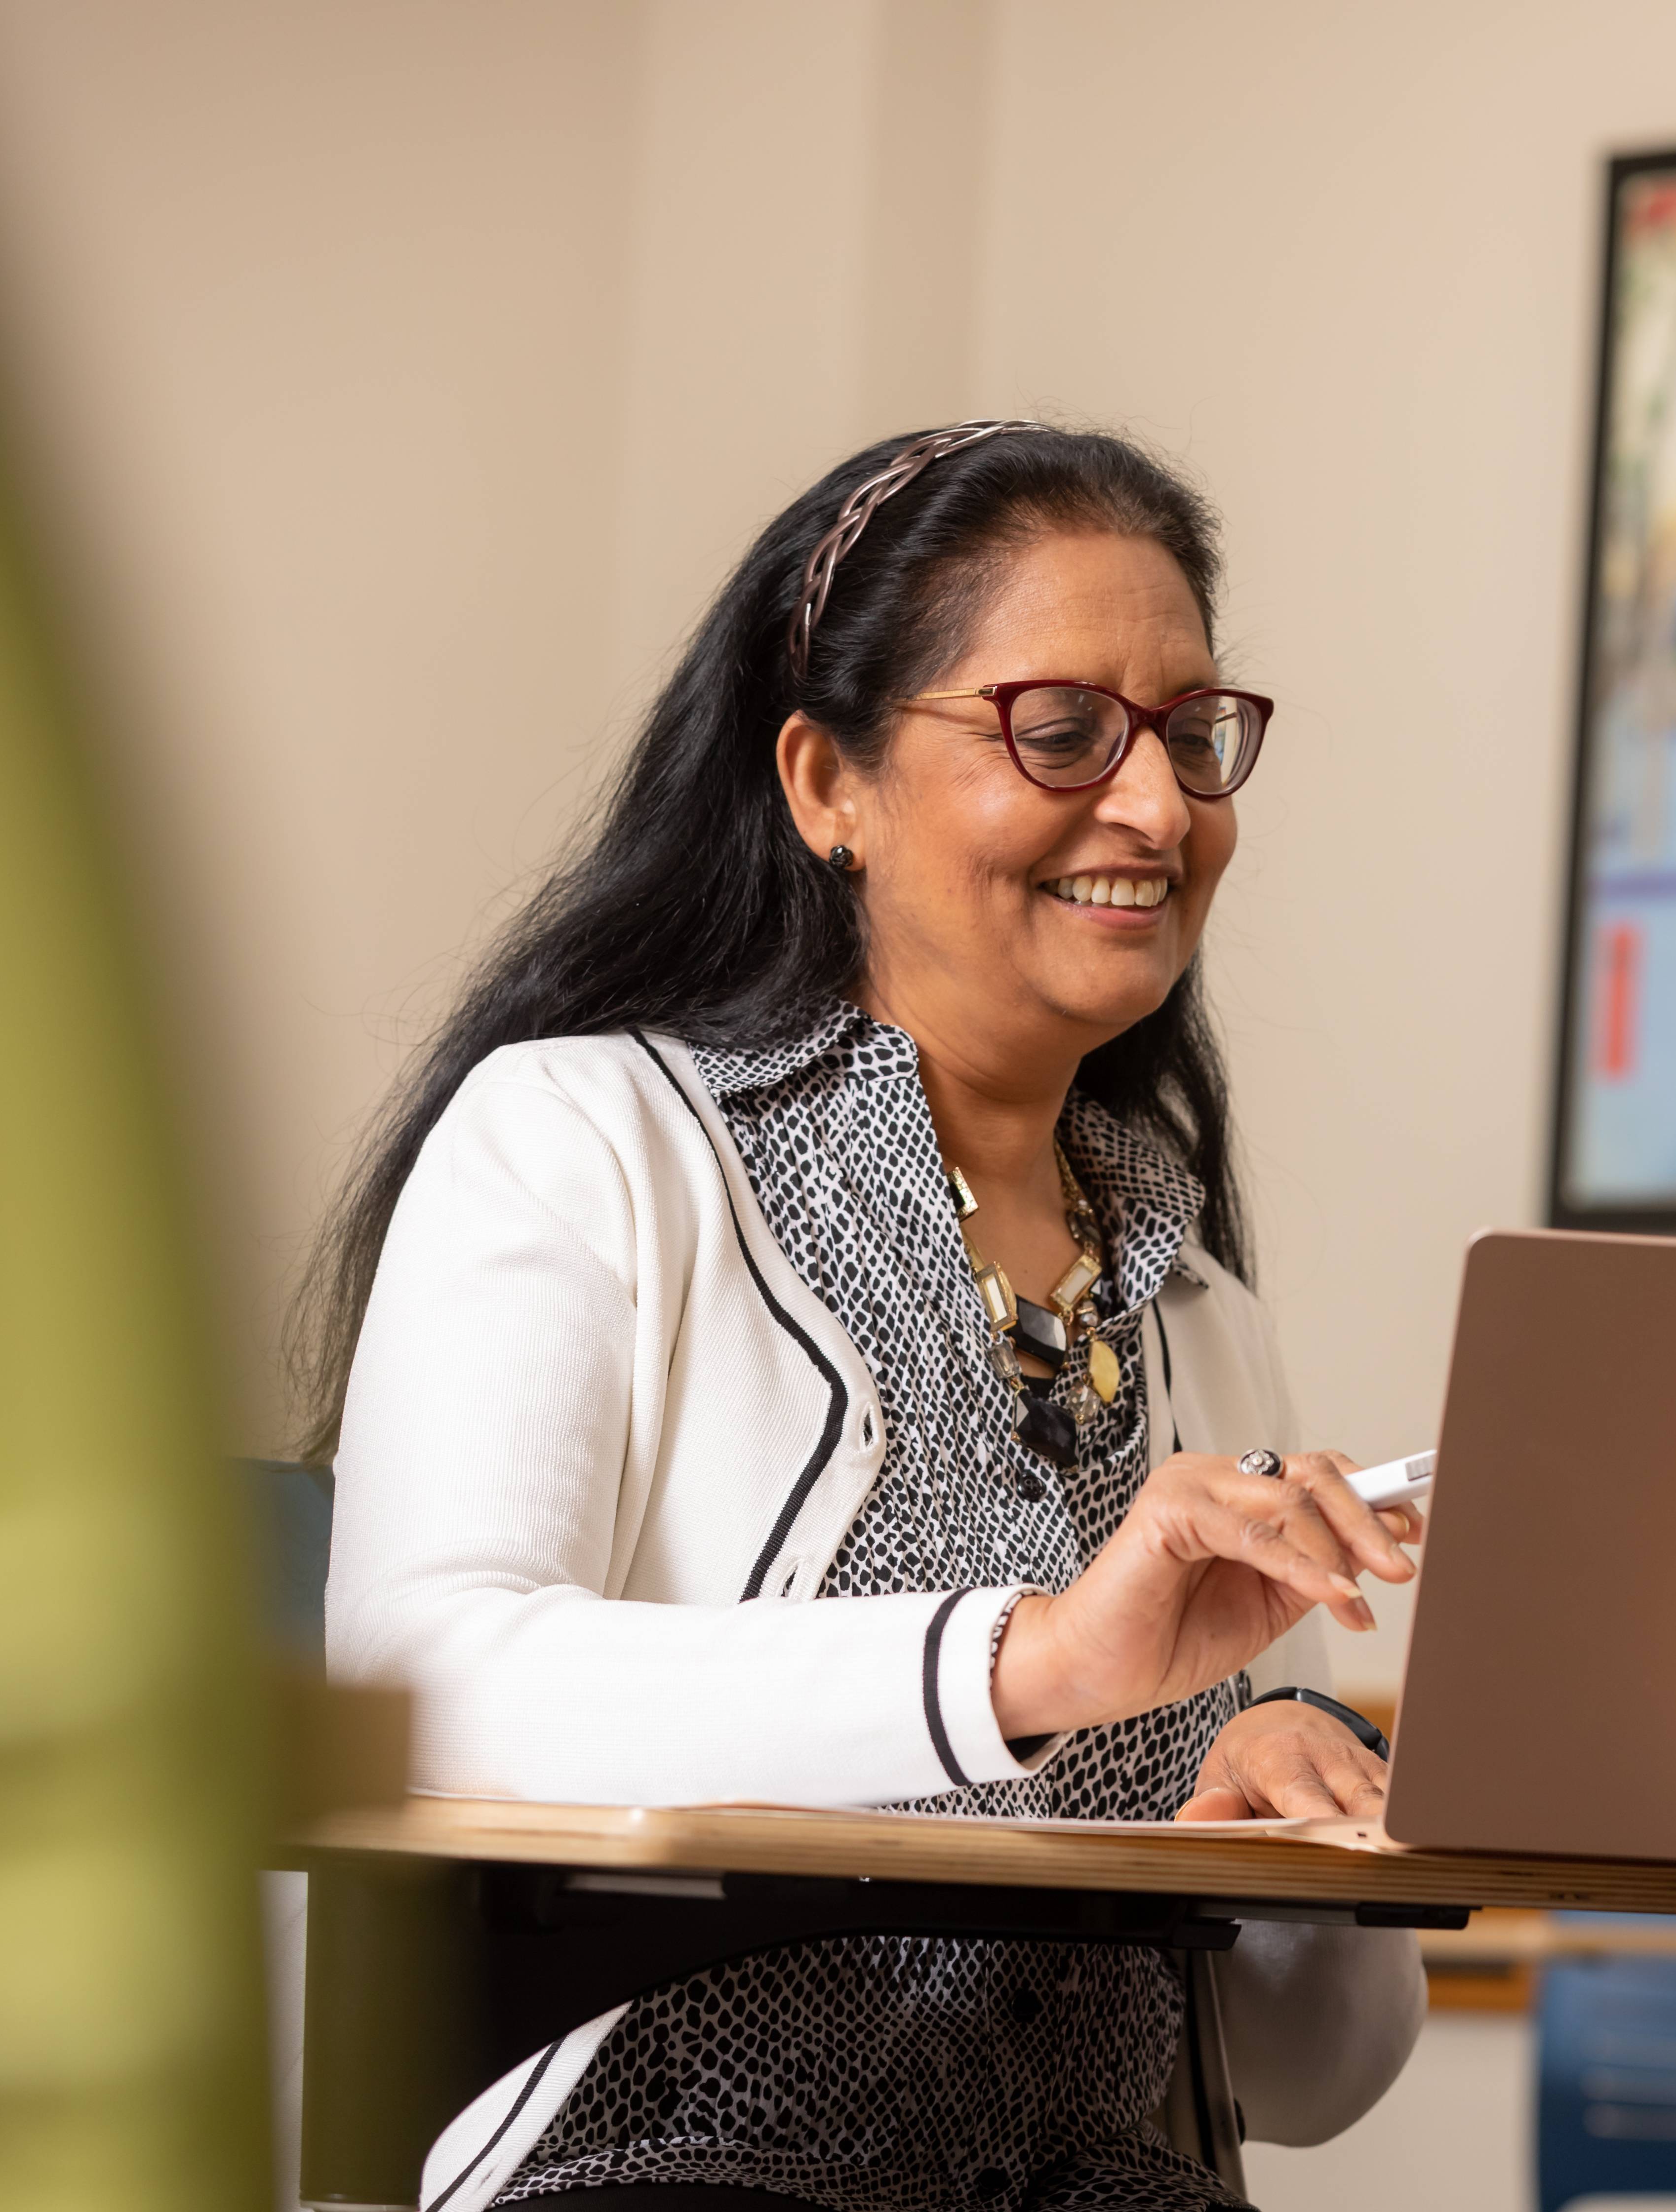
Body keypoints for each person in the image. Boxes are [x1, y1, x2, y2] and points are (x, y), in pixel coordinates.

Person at [313, 422, 1422, 2212]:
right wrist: (1031, 1663)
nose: (1156, 807)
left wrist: (1310, 1822)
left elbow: (1304, 2087)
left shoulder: (1191, 1294)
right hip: (666, 2171)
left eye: (1193, 736)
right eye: (1059, 730)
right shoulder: (585, 1139)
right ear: (826, 781)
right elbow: (425, 1688)